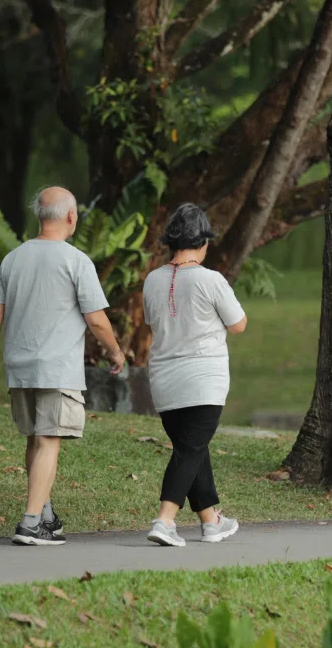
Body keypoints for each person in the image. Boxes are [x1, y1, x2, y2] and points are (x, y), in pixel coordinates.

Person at [0, 186, 127, 546]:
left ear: (39, 217)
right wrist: (116, 353)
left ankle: (45, 515)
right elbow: (98, 321)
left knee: (35, 439)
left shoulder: (13, 259)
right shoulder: (76, 261)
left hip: (20, 365)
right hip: (56, 368)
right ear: (71, 217)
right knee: (48, 440)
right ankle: (31, 523)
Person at [143, 203, 248, 547]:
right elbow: (238, 324)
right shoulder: (210, 279)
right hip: (203, 381)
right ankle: (164, 521)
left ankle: (211, 522)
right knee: (189, 451)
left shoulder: (152, 280)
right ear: (202, 242)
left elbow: (155, 323)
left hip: (164, 382)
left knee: (192, 448)